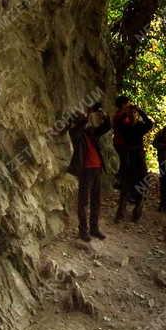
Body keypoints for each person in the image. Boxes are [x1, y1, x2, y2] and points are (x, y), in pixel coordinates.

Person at [66, 103, 111, 242]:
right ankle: (83, 231)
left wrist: (104, 115)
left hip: (97, 169)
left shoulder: (90, 133)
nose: (85, 118)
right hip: (86, 170)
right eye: (81, 117)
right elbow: (79, 126)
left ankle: (94, 228)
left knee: (96, 201)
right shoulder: (75, 133)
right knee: (84, 202)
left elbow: (106, 127)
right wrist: (88, 113)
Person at [113, 101, 154, 222]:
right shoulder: (125, 127)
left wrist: (139, 111)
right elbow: (117, 122)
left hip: (138, 159)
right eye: (130, 114)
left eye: (133, 113)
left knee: (141, 185)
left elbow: (150, 123)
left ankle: (136, 212)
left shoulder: (140, 127)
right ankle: (120, 213)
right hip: (129, 158)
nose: (132, 115)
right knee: (125, 185)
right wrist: (127, 111)